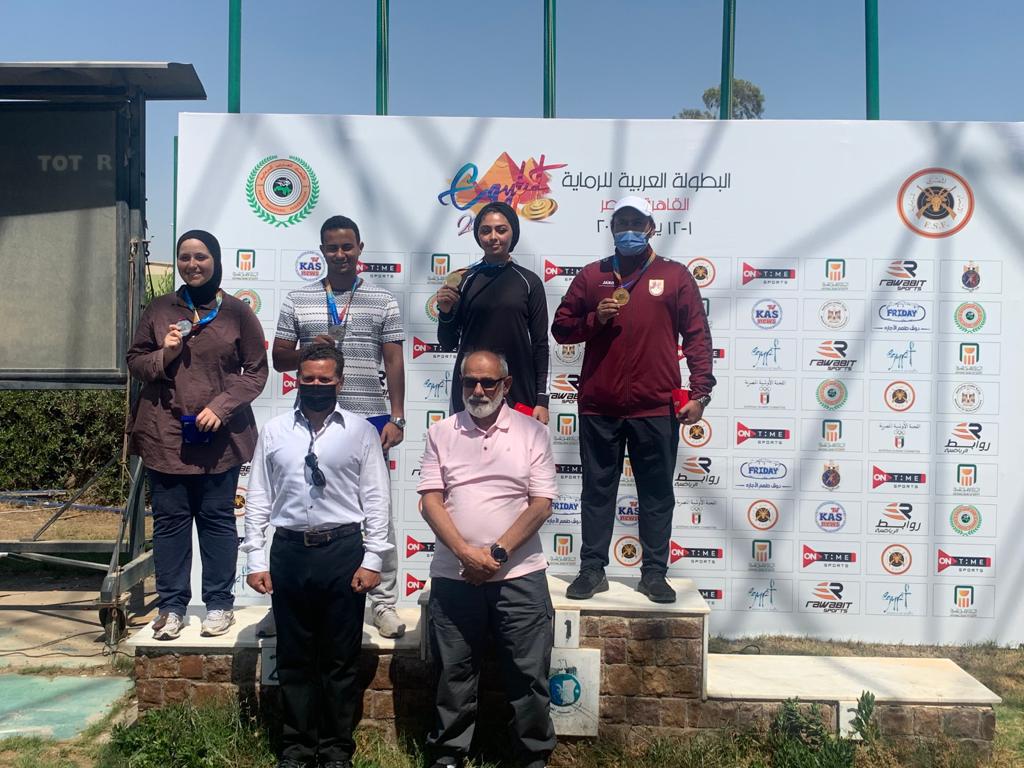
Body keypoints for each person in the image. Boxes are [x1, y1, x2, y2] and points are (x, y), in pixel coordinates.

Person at [551, 196, 716, 604]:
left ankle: (654, 573)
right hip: (599, 405)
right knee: (597, 491)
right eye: (620, 221)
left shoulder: (675, 276)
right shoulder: (593, 276)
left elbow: (696, 336)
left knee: (657, 493)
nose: (628, 228)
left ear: (650, 228)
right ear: (611, 228)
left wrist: (700, 392)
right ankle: (592, 569)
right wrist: (595, 319)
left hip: (656, 406)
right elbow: (561, 328)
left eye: (635, 222)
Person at [243, 343, 392, 768]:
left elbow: (377, 498)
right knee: (294, 657)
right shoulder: (273, 431)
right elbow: (257, 496)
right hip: (289, 551)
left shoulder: (361, 431)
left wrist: (374, 559)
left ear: (339, 382)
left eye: (325, 379)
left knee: (340, 660)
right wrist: (255, 558)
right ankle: (296, 748)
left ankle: (335, 749)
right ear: (296, 380)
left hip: (343, 551)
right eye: (308, 379)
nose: (316, 386)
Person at [418, 349, 557, 768]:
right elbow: (430, 502)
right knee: (453, 674)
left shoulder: (533, 433)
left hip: (520, 577)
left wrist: (494, 555)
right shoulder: (440, 432)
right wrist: (465, 554)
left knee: (529, 677)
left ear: (506, 385)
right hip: (454, 575)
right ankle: (448, 755)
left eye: (488, 383)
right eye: (468, 382)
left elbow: (541, 505)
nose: (477, 390)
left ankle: (532, 757)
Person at [127, 229, 268, 640]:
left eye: (201, 257)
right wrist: (166, 353)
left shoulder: (238, 313)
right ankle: (171, 607)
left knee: (217, 521)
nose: (192, 264)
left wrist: (221, 407)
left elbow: (256, 372)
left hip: (217, 440)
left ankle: (219, 603)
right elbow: (136, 362)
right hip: (164, 433)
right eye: (185, 257)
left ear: (216, 260)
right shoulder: (159, 309)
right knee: (170, 523)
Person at [272, 214, 406, 639]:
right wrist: (309, 350)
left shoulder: (383, 299)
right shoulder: (298, 298)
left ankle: (382, 604)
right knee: (303, 508)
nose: (340, 254)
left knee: (377, 514)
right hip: (310, 418)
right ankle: (289, 601)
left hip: (368, 417)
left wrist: (398, 416)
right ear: (322, 251)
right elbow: (279, 358)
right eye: (332, 247)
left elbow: (394, 361)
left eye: (347, 246)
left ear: (360, 248)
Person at [435, 201, 550, 423]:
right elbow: (447, 343)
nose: (493, 237)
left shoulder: (529, 282)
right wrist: (446, 313)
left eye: (501, 230)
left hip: (518, 389)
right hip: (472, 388)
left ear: (513, 233)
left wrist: (542, 400)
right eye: (485, 230)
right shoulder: (464, 279)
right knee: (467, 455)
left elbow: (541, 345)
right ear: (478, 236)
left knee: (516, 456)